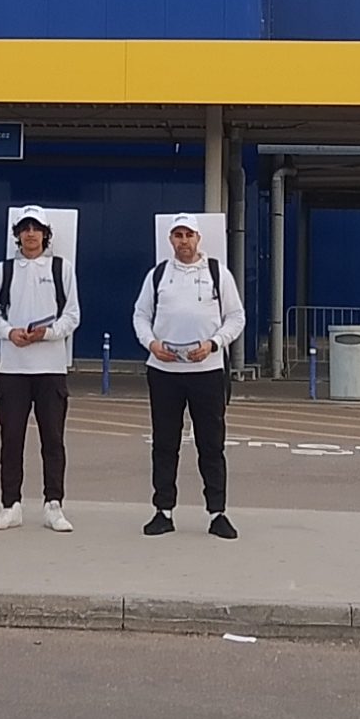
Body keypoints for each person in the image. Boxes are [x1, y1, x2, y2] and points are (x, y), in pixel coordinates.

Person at [134, 214, 245, 539]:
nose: (184, 241)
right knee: (164, 444)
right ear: (171, 239)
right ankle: (163, 511)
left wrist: (214, 343)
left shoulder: (217, 274)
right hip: (164, 372)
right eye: (178, 235)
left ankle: (217, 513)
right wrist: (152, 344)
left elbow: (236, 317)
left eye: (189, 235)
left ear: (198, 238)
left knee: (211, 444)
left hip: (207, 372)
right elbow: (140, 315)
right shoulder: (158, 275)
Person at [0, 208, 79, 532]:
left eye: (36, 228)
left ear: (46, 234)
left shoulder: (61, 268)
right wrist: (10, 332)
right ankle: (10, 505)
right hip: (13, 369)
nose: (31, 234)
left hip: (51, 369)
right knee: (11, 439)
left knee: (53, 439)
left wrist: (47, 334)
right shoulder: (3, 270)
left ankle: (54, 505)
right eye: (25, 228)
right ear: (18, 235)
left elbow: (72, 315)